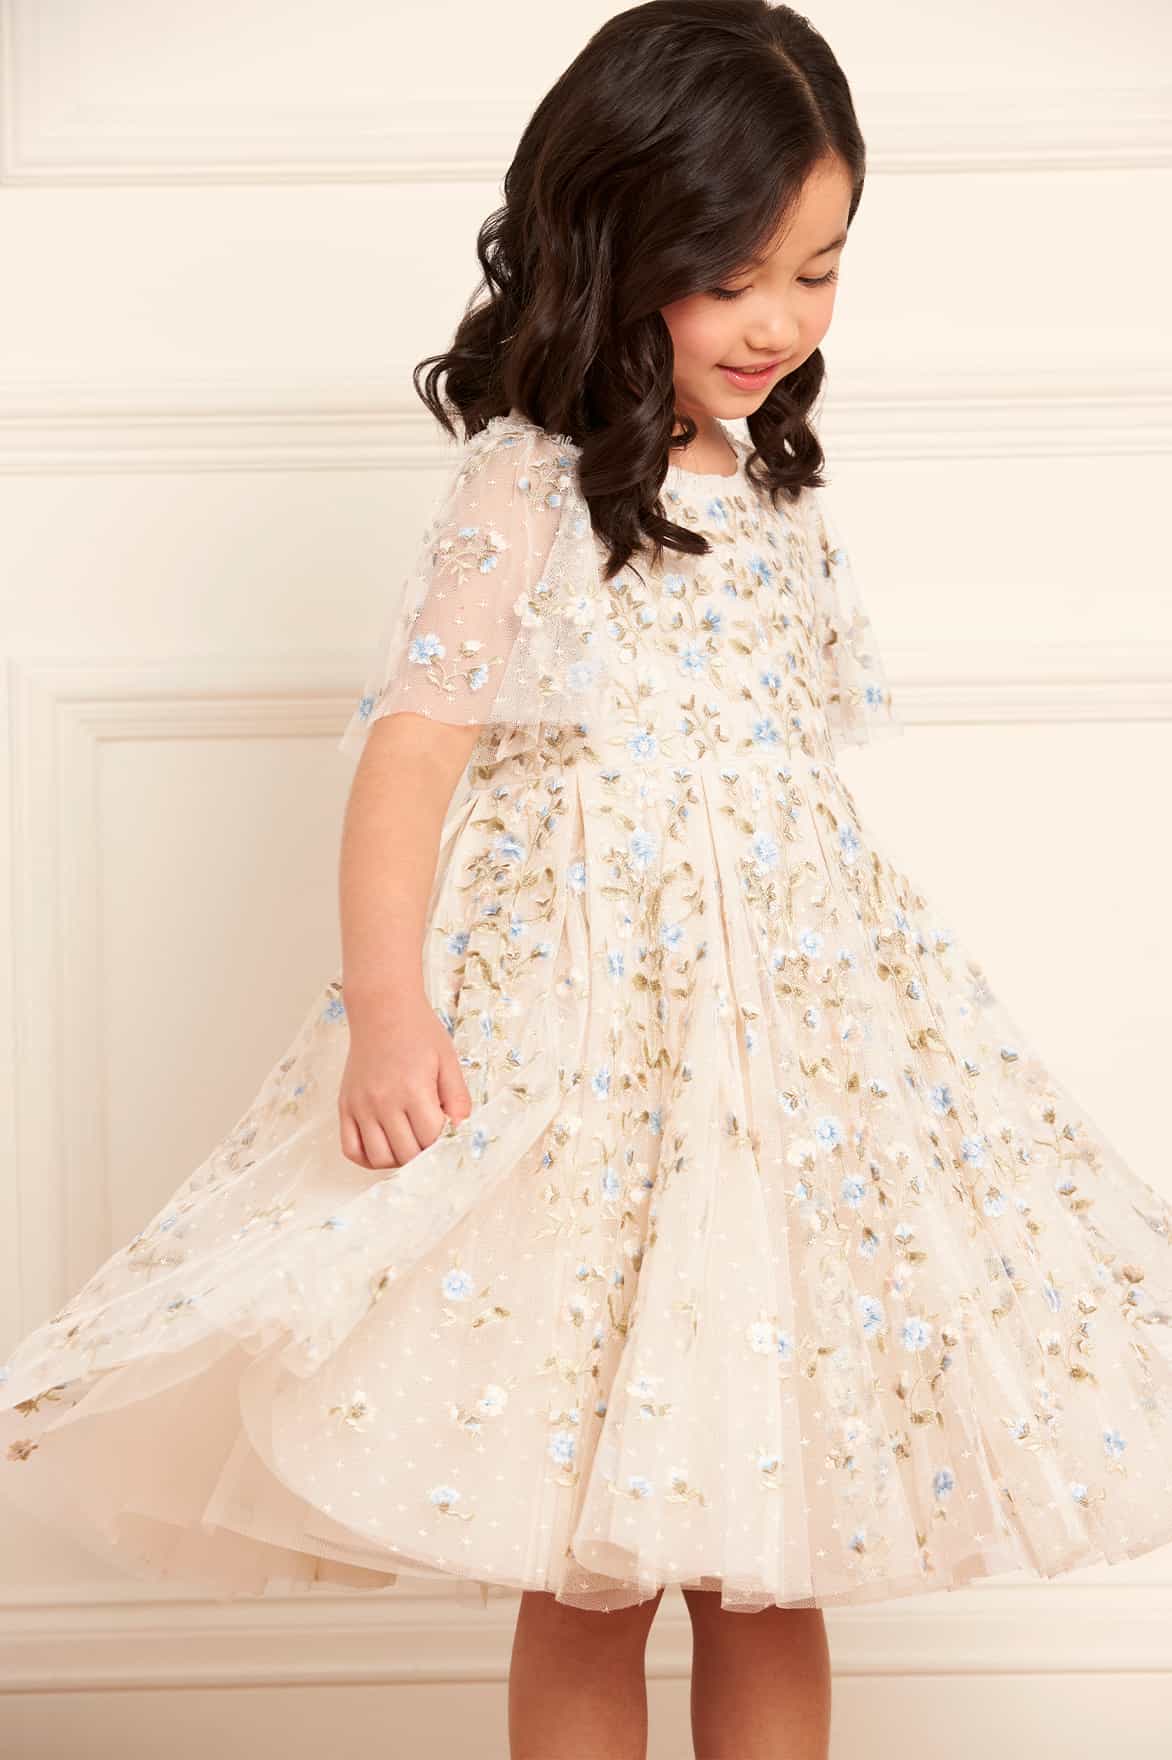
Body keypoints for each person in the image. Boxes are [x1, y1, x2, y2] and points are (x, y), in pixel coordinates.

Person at [3, 3, 1172, 1757]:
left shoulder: (776, 495)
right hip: (592, 1065)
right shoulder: (528, 484)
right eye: (731, 277)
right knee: (589, 1558)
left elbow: (786, 808)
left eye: (819, 273)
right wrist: (389, 1014)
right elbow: (414, 749)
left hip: (788, 1088)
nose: (779, 322)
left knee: (777, 1553)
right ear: (613, 244)